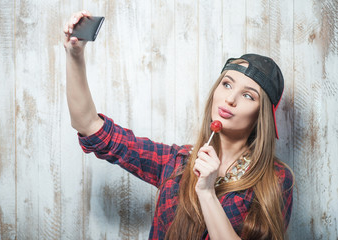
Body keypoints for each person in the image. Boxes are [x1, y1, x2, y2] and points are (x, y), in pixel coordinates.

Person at [64, 10, 294, 240]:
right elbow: (90, 126)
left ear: (261, 116)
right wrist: (75, 55)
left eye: (248, 96)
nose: (230, 98)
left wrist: (206, 192)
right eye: (226, 84)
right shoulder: (176, 162)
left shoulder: (275, 180)